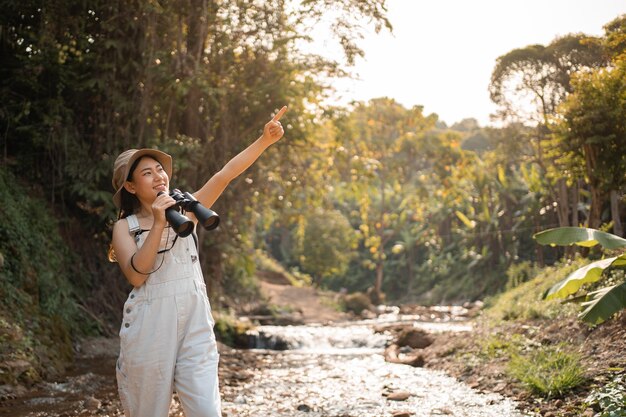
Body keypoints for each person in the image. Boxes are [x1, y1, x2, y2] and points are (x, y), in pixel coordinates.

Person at [109, 106, 287, 417]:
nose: (158, 176)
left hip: (195, 322)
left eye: (159, 170)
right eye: (146, 173)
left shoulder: (189, 209)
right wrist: (161, 222)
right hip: (149, 327)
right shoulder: (125, 227)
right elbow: (137, 276)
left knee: (207, 411)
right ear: (131, 186)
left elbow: (225, 174)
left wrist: (263, 141)